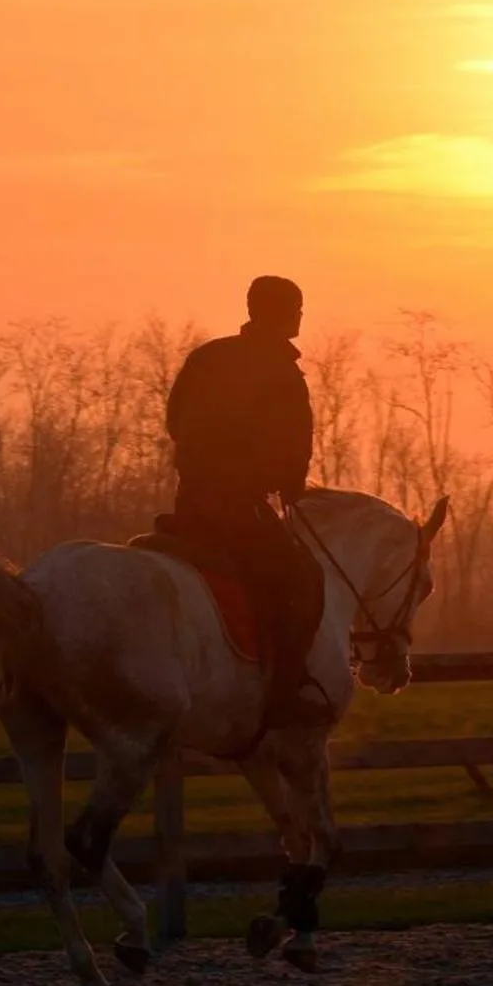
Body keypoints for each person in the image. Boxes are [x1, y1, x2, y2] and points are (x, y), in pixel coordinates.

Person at [166, 275, 333, 730]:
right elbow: (294, 441)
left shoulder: (207, 357)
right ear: (277, 312)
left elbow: (174, 418)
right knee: (301, 579)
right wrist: (288, 484)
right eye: (296, 307)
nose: (301, 314)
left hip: (191, 500)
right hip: (238, 505)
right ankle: (285, 693)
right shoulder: (279, 370)